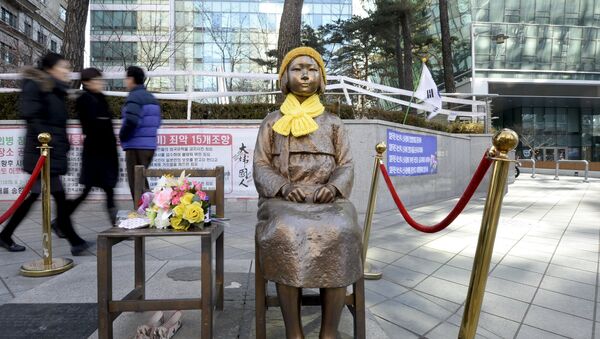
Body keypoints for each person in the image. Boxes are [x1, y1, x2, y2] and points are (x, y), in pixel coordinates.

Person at [253, 47, 362, 339]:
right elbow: (261, 164)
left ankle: (329, 331)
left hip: (329, 201)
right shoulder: (272, 121)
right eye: (297, 68)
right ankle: (294, 332)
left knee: (342, 229)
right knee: (286, 230)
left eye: (312, 69)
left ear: (322, 79)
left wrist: (333, 187)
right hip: (283, 201)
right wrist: (284, 187)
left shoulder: (334, 123)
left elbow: (346, 164)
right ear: (285, 78)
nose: (304, 74)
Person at [0, 53, 90, 255]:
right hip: (41, 152)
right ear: (51, 69)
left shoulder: (55, 90)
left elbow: (56, 123)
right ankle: (73, 239)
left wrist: (61, 144)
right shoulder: (36, 86)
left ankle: (6, 235)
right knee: (55, 195)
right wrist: (49, 144)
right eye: (63, 67)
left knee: (39, 196)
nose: (67, 71)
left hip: (50, 152)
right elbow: (34, 119)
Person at [56, 68, 118, 226]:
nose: (100, 83)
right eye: (96, 80)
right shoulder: (85, 99)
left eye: (100, 79)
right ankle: (60, 222)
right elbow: (90, 127)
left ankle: (59, 222)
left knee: (107, 189)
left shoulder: (100, 98)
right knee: (90, 191)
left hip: (106, 152)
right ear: (86, 83)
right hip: (95, 152)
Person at [119, 66, 161, 205]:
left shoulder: (134, 97)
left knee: (136, 183)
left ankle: (143, 213)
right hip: (149, 146)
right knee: (142, 180)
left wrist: (123, 136)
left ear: (131, 79)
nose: (125, 81)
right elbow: (157, 121)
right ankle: (151, 210)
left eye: (126, 78)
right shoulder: (151, 98)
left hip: (135, 145)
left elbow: (131, 120)